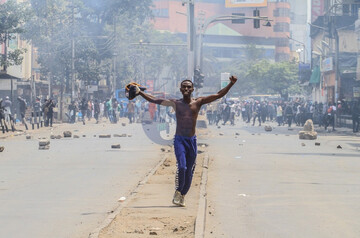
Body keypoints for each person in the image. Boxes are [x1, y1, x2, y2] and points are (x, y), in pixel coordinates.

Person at [133, 75, 237, 207]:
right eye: (184, 86)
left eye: (189, 86)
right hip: (179, 140)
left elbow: (218, 94)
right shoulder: (175, 103)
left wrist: (231, 84)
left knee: (189, 172)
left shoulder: (198, 102)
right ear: (180, 89)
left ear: (193, 89)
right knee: (182, 167)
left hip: (192, 141)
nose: (186, 88)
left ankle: (182, 195)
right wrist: (140, 92)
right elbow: (155, 100)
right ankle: (178, 191)